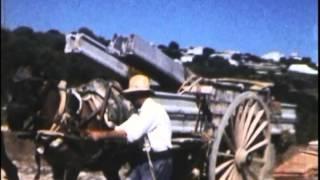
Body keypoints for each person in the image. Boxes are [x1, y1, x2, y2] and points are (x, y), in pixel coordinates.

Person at [87, 74, 173, 180]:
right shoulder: (139, 112)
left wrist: (101, 135)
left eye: (132, 95)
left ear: (141, 94)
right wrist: (95, 131)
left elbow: (131, 134)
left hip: (157, 161)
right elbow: (123, 128)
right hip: (144, 160)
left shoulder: (152, 110)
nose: (130, 99)